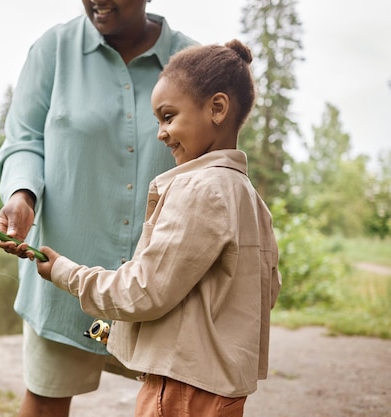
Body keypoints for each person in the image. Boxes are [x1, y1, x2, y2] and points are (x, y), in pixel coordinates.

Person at [28, 39, 282, 417]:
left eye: (168, 116)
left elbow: (143, 291)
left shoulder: (199, 189)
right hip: (224, 392)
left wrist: (66, 273)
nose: (161, 133)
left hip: (180, 391)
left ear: (217, 108)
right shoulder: (250, 199)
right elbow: (266, 292)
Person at [0, 1, 198, 415]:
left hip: (160, 287)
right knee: (45, 401)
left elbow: (213, 166)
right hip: (61, 277)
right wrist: (22, 194)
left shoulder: (195, 64)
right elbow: (24, 140)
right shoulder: (52, 49)